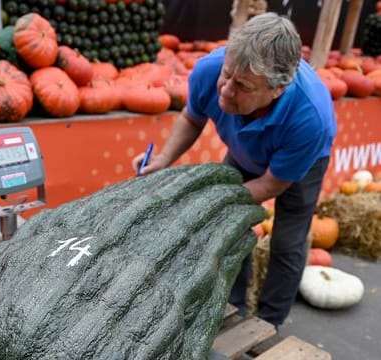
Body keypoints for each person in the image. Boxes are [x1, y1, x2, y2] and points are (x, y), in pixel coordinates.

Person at [132, 12, 337, 327]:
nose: (226, 90)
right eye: (227, 74)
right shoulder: (208, 70)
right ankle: (232, 308)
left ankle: (269, 322)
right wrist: (163, 159)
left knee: (287, 240)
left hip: (296, 165)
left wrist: (213, 202)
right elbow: (192, 118)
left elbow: (271, 184)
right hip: (245, 151)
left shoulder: (311, 118)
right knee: (229, 226)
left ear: (276, 89)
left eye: (241, 86)